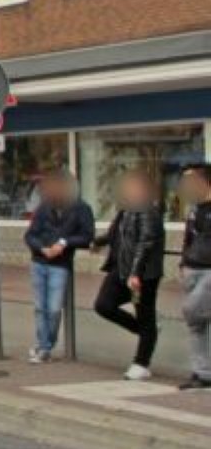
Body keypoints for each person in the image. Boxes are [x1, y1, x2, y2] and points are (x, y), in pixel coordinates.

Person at [92, 170, 165, 381]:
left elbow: (145, 243)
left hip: (143, 274)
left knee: (145, 314)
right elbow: (115, 234)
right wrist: (97, 242)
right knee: (103, 305)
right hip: (121, 269)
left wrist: (136, 273)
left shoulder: (149, 212)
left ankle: (141, 363)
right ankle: (146, 330)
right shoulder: (126, 211)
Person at [23, 171, 96, 363]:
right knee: (40, 307)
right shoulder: (44, 207)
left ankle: (45, 344)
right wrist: (41, 248)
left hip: (60, 264)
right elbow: (30, 235)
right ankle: (44, 347)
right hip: (39, 261)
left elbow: (87, 236)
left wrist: (64, 243)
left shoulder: (81, 208)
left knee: (54, 308)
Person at [176, 165, 211, 391]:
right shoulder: (193, 210)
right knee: (197, 325)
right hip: (192, 269)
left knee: (192, 311)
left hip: (209, 271)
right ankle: (202, 373)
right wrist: (183, 262)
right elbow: (188, 238)